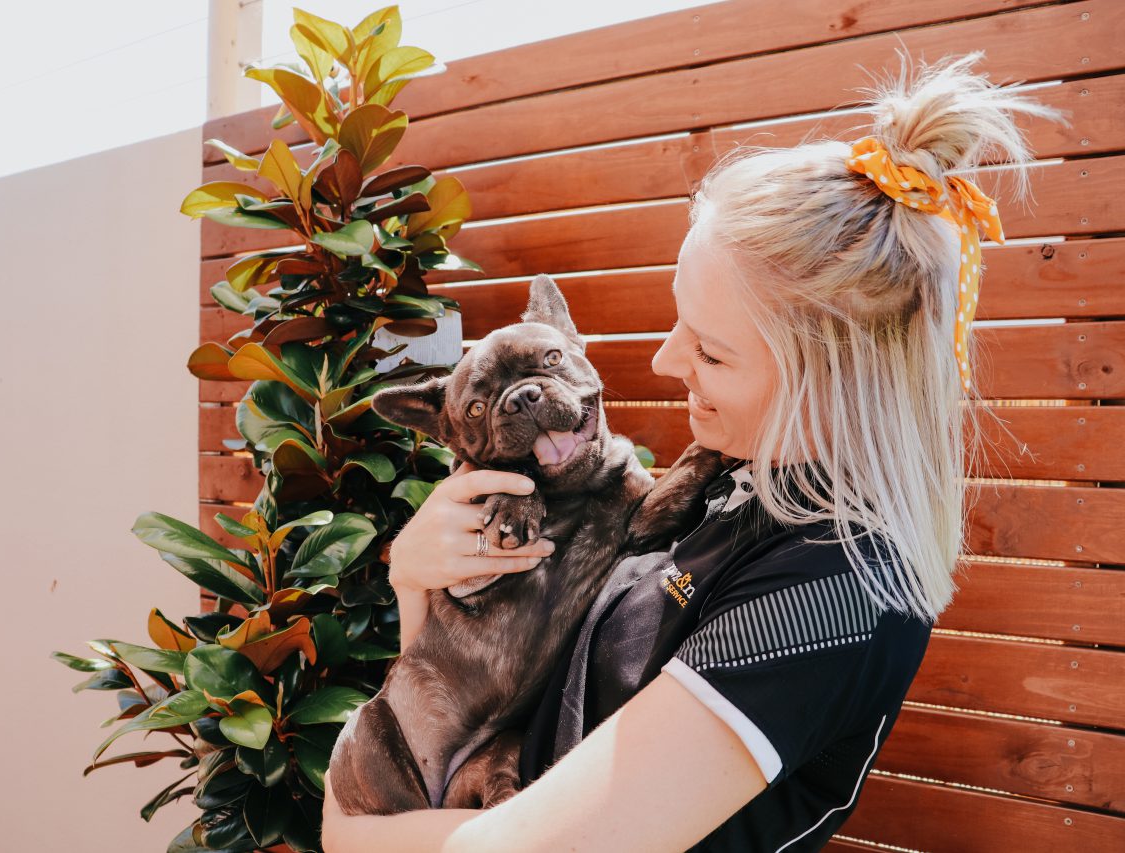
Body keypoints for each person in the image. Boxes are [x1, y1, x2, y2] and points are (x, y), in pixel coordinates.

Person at [320, 51, 1063, 852]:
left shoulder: (833, 592)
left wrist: (351, 829)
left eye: (709, 351)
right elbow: (485, 700)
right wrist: (417, 585)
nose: (667, 362)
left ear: (832, 377)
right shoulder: (730, 487)